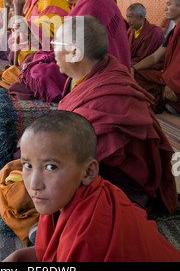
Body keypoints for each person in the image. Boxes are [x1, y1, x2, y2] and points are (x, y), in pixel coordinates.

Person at [4, 111, 180, 262]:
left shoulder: (90, 234)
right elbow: (51, 251)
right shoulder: (65, 195)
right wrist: (19, 256)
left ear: (89, 172)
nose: (34, 184)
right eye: (27, 165)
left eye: (51, 167)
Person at [54, 15, 177, 214]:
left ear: (75, 53)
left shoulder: (108, 96)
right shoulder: (101, 70)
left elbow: (79, 162)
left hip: (123, 191)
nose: (53, 52)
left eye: (56, 44)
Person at [8, 0, 130, 103]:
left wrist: (44, 56)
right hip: (103, 63)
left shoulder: (91, 4)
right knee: (34, 61)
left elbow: (70, 50)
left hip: (101, 73)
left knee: (38, 73)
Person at [132, 0, 180, 115]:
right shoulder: (174, 31)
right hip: (170, 77)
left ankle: (169, 99)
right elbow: (155, 56)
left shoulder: (154, 31)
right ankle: (165, 96)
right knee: (136, 75)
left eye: (169, 4)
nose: (165, 8)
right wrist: (133, 68)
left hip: (175, 80)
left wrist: (171, 83)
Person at [126, 2, 165, 67]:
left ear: (141, 17)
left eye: (130, 17)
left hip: (148, 66)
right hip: (132, 62)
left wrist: (129, 63)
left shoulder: (154, 32)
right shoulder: (130, 30)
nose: (128, 21)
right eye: (127, 17)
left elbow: (146, 58)